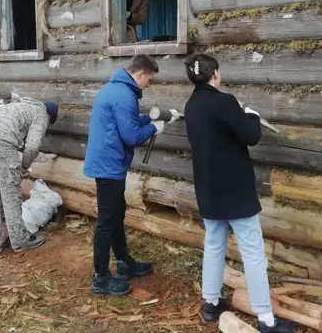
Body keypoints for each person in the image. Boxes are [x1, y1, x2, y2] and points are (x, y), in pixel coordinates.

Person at [183, 54, 298, 332]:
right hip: (234, 190)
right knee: (253, 252)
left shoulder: (191, 105)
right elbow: (250, 135)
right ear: (216, 74)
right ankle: (266, 318)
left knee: (213, 245)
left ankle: (211, 303)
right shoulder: (224, 101)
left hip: (208, 188)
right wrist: (253, 116)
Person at [83, 55, 173, 296]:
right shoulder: (124, 95)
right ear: (140, 74)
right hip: (108, 165)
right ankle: (101, 277)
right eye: (149, 80)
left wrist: (152, 118)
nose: (149, 84)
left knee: (116, 214)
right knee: (106, 221)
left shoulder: (117, 89)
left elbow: (127, 122)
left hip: (109, 162)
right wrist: (155, 128)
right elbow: (131, 136)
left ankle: (124, 262)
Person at [0, 96, 59, 254]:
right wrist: (24, 166)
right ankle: (20, 240)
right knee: (10, 193)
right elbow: (32, 147)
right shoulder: (41, 114)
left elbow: (17, 142)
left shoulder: (20, 106)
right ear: (50, 117)